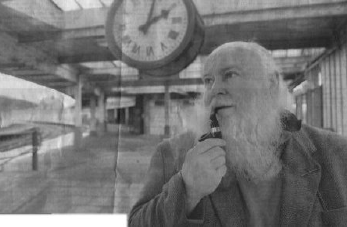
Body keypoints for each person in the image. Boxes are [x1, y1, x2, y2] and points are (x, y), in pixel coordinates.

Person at [128, 41, 347, 226]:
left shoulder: (337, 152)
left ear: (270, 84)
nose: (213, 90)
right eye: (208, 81)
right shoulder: (171, 154)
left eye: (229, 75)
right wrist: (187, 190)